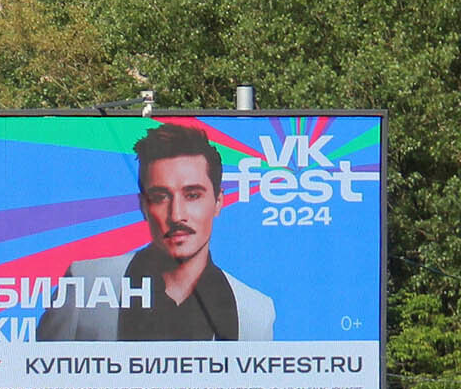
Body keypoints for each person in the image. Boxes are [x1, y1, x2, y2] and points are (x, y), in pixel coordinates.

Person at [33, 121, 278, 343]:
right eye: (160, 197)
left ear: (218, 202)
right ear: (143, 206)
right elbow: (42, 378)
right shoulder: (85, 282)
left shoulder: (254, 311)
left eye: (192, 195)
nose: (176, 215)